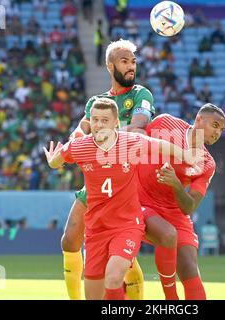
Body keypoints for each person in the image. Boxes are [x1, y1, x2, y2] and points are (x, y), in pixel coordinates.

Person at [44, 98, 199, 300]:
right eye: (95, 120)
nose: (99, 125)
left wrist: (187, 156)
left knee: (114, 277)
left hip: (127, 225)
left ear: (116, 122)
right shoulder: (79, 146)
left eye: (105, 120)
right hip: (96, 229)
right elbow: (58, 159)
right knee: (94, 295)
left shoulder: (131, 143)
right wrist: (52, 161)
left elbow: (161, 145)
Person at [60, 39, 162, 300]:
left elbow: (139, 128)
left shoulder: (141, 94)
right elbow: (80, 131)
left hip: (128, 177)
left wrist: (101, 137)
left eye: (133, 62)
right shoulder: (97, 102)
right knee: (70, 238)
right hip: (98, 177)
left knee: (122, 263)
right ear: (110, 65)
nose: (131, 67)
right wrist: (74, 141)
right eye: (124, 61)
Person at [137, 104, 225, 299]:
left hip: (174, 211)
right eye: (215, 125)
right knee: (168, 235)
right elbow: (135, 139)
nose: (218, 132)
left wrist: (176, 184)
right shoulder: (166, 123)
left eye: (221, 130)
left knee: (189, 267)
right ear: (199, 120)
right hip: (140, 201)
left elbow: (189, 207)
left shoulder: (207, 163)